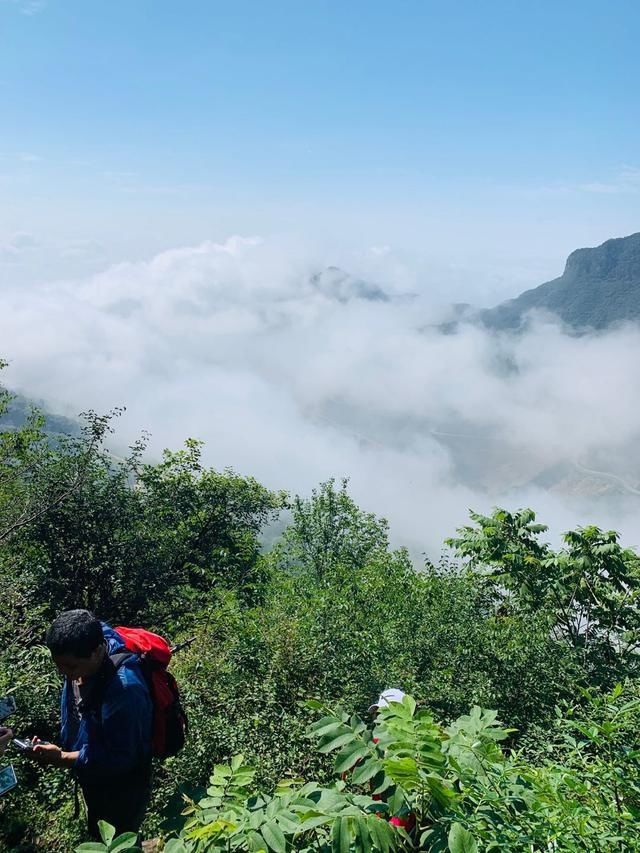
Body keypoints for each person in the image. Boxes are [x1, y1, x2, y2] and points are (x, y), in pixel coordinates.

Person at [26, 609, 153, 840]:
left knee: (119, 839)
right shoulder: (84, 643)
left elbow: (123, 756)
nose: (64, 673)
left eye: (70, 667)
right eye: (58, 665)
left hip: (122, 786)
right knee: (97, 829)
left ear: (98, 651)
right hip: (93, 774)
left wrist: (64, 757)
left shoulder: (125, 690)